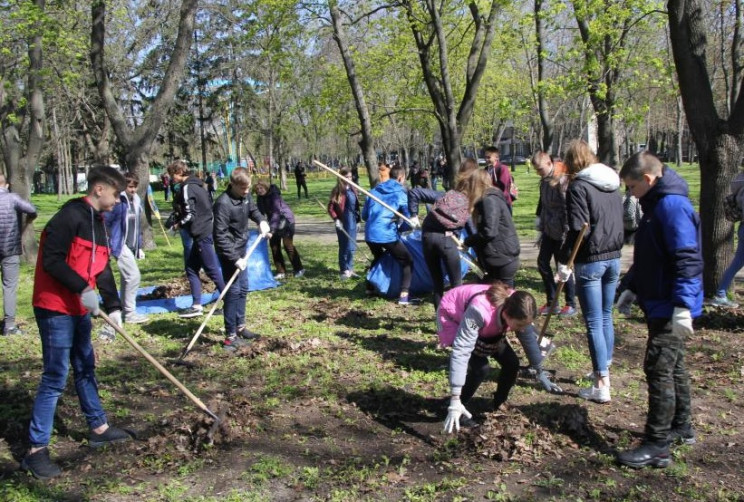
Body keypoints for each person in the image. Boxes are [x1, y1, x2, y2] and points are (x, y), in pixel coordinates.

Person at [23, 166, 133, 479]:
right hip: (55, 307)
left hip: (81, 308)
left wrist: (112, 305)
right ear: (99, 189)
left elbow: (102, 267)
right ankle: (35, 450)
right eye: (115, 194)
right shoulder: (68, 218)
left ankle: (98, 427)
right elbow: (52, 261)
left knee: (85, 364)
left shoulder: (98, 222)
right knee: (56, 375)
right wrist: (82, 288)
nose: (117, 201)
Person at [615, 151, 702, 468]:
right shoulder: (655, 206)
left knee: (659, 370)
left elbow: (687, 260)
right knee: (674, 366)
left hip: (669, 304)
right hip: (657, 301)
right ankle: (682, 426)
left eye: (632, 187)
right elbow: (650, 256)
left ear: (649, 180)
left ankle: (657, 444)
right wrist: (632, 287)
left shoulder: (672, 207)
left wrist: (683, 306)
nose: (630, 194)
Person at [440, 282, 562, 433]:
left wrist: (539, 369)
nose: (522, 329)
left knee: (512, 363)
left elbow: (528, 337)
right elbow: (462, 350)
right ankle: (457, 405)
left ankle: (499, 403)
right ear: (506, 315)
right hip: (454, 313)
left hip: (490, 322)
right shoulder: (479, 311)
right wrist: (455, 397)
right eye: (519, 326)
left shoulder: (519, 305)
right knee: (480, 368)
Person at [557, 140, 623, 403]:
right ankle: (604, 365)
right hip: (614, 257)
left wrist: (563, 258)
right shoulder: (612, 183)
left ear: (572, 162)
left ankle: (601, 383)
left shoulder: (579, 186)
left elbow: (577, 227)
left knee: (594, 321)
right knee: (605, 316)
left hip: (591, 260)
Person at [407, 159, 480, 309]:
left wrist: (413, 215)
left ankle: (439, 320)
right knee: (456, 284)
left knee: (437, 283)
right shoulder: (467, 205)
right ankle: (456, 317)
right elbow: (472, 231)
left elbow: (414, 192)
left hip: (427, 238)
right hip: (447, 241)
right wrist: (474, 250)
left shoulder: (445, 196)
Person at [213, 168, 271, 351]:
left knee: (243, 288)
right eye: (243, 188)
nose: (247, 191)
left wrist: (261, 220)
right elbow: (220, 236)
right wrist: (234, 258)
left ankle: (240, 327)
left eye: (248, 187)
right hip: (229, 252)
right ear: (233, 184)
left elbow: (253, 209)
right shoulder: (223, 203)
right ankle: (230, 337)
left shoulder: (245, 197)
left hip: (242, 249)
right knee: (233, 291)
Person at [168, 160, 226, 318]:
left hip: (202, 233)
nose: (170, 178)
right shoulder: (200, 185)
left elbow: (190, 214)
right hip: (202, 231)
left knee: (212, 269)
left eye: (171, 174)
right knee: (191, 268)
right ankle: (196, 305)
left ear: (179, 173)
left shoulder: (188, 187)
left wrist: (177, 225)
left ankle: (229, 302)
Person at [101, 171, 148, 336]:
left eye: (135, 187)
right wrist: (109, 243)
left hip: (130, 243)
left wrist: (139, 246)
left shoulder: (135, 200)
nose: (133, 190)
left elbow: (137, 224)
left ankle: (123, 308)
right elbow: (105, 221)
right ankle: (129, 312)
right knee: (133, 276)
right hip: (118, 243)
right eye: (130, 187)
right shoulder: (117, 201)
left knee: (126, 276)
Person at [532, 151, 576, 317]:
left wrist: (566, 234)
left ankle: (570, 303)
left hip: (561, 232)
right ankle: (552, 302)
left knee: (563, 267)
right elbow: (543, 205)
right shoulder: (543, 181)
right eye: (536, 170)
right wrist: (540, 228)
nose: (538, 173)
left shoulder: (561, 180)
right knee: (542, 262)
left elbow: (567, 209)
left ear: (549, 164)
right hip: (548, 231)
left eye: (540, 169)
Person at [362, 164, 415, 304]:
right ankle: (404, 295)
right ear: (400, 178)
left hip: (370, 233)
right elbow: (408, 218)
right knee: (407, 261)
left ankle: (369, 288)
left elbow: (364, 216)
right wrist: (404, 227)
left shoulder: (373, 191)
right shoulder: (400, 194)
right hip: (385, 233)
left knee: (378, 257)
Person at [463, 169, 520, 287]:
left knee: (504, 296)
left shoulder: (489, 200)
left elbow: (489, 231)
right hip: (496, 258)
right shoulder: (486, 200)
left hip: (502, 258)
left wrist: (469, 241)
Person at [0, 174, 37, 335]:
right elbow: (32, 210)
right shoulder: (13, 198)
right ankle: (9, 325)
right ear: (6, 185)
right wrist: (28, 221)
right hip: (10, 249)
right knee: (9, 286)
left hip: (10, 250)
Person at [254, 180, 305, 279]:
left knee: (288, 246)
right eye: (257, 189)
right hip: (273, 223)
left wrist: (272, 230)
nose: (260, 191)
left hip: (286, 221)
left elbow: (276, 213)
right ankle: (281, 271)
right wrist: (260, 225)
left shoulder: (274, 196)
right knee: (274, 247)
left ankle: (299, 269)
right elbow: (259, 215)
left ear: (266, 187)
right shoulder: (260, 198)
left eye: (261, 188)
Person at [709, 171, 744, 308]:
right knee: (737, 262)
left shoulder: (740, 183)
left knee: (737, 262)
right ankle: (721, 294)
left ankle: (721, 293)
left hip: (742, 227)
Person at [327, 167, 361, 279]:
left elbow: (356, 207)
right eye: (347, 177)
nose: (349, 179)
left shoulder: (353, 189)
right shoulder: (337, 191)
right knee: (344, 247)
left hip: (352, 221)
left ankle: (350, 269)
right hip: (342, 222)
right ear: (341, 178)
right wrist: (336, 219)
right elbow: (330, 208)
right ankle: (343, 270)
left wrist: (358, 221)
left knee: (352, 247)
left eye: (351, 176)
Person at [484, 147, 515, 213]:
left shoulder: (502, 168)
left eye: (489, 157)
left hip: (503, 202)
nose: (486, 159)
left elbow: (504, 186)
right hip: (490, 201)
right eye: (485, 157)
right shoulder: (486, 169)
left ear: (496, 158)